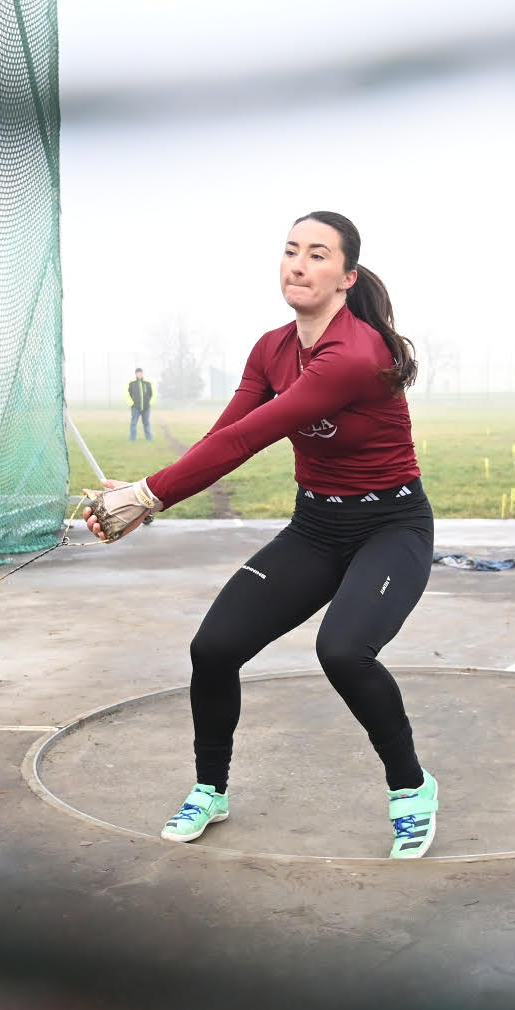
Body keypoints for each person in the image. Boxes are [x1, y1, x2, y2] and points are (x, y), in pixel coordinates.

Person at [82, 211, 439, 859]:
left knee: (344, 651)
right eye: (291, 250)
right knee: (214, 647)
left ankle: (412, 788)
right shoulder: (270, 349)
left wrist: (147, 494)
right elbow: (223, 436)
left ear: (346, 276)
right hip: (316, 526)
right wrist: (148, 497)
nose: (299, 264)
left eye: (318, 254)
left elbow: (251, 438)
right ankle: (210, 789)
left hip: (391, 527)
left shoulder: (354, 354)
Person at [127, 367, 153, 441]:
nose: (139, 374)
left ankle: (149, 438)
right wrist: (132, 404)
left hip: (146, 407)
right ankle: (132, 439)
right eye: (138, 373)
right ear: (136, 374)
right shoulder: (132, 383)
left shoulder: (147, 383)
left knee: (146, 423)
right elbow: (127, 394)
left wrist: (149, 403)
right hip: (135, 407)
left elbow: (152, 394)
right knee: (133, 423)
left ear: (142, 373)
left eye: (140, 373)